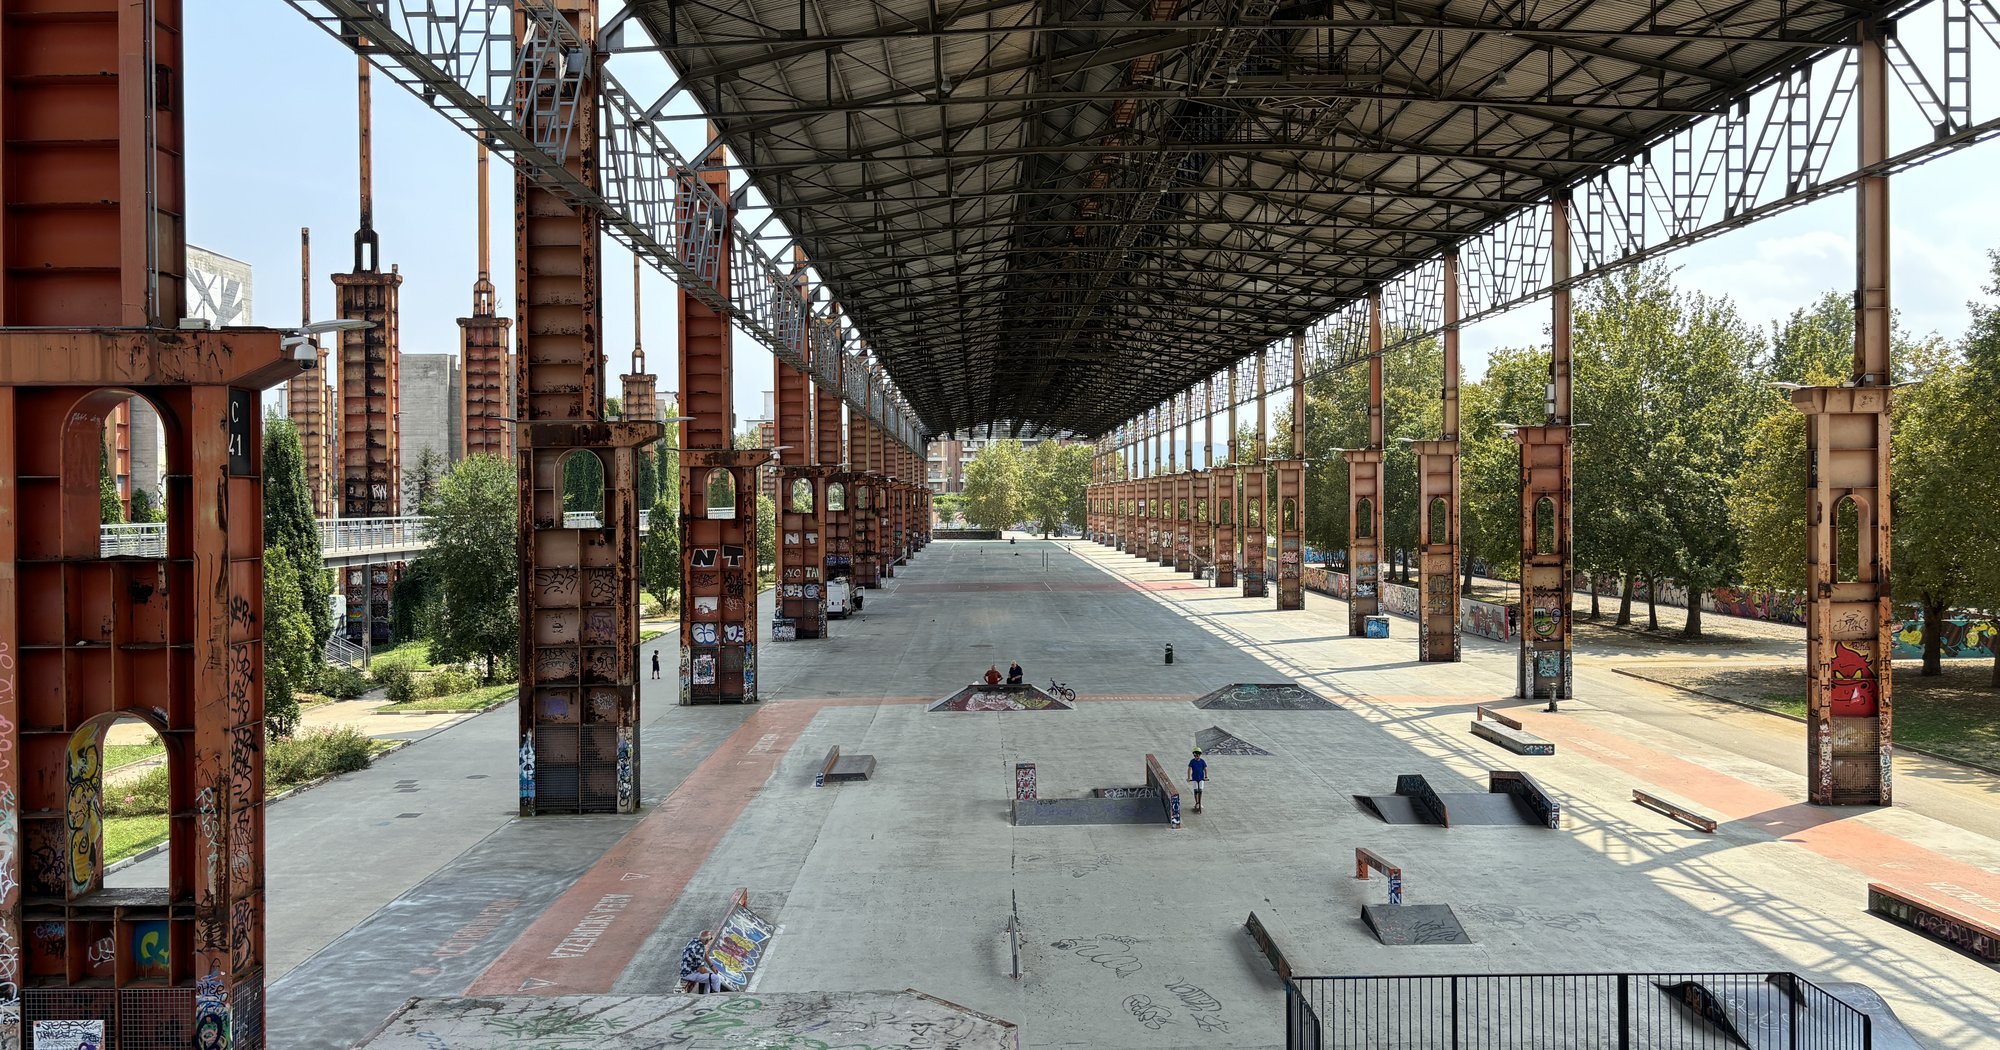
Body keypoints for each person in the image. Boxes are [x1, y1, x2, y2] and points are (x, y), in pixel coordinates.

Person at [1187, 748, 1208, 813]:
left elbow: (1205, 769)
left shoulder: (1202, 761)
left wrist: (1206, 776)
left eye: (1198, 755)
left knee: (1200, 791)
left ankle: (1200, 802)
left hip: (1201, 778)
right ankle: (1197, 802)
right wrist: (1188, 777)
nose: (1197, 756)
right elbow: (1189, 769)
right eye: (1195, 755)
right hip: (1194, 778)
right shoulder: (1192, 761)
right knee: (1196, 791)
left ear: (1200, 755)